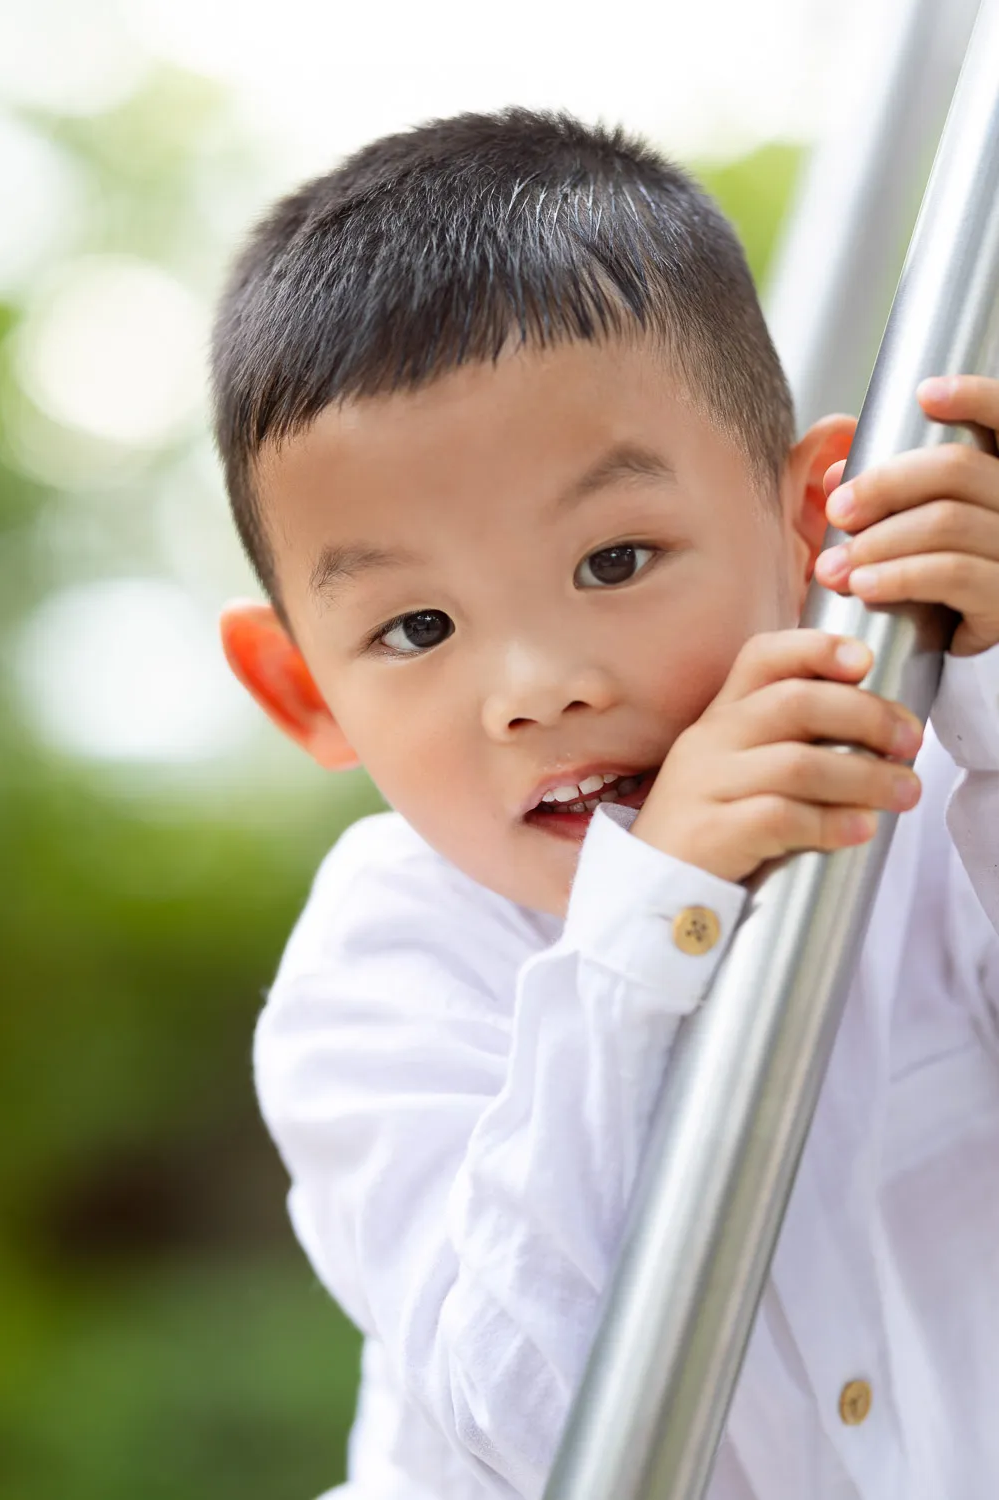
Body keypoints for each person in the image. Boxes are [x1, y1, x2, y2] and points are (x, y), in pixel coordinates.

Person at [210, 110, 999, 1500]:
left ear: (816, 522)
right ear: (302, 695)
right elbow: (531, 1415)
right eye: (416, 628)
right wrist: (655, 924)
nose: (537, 686)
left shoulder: (944, 799)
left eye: (616, 557)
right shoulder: (386, 968)